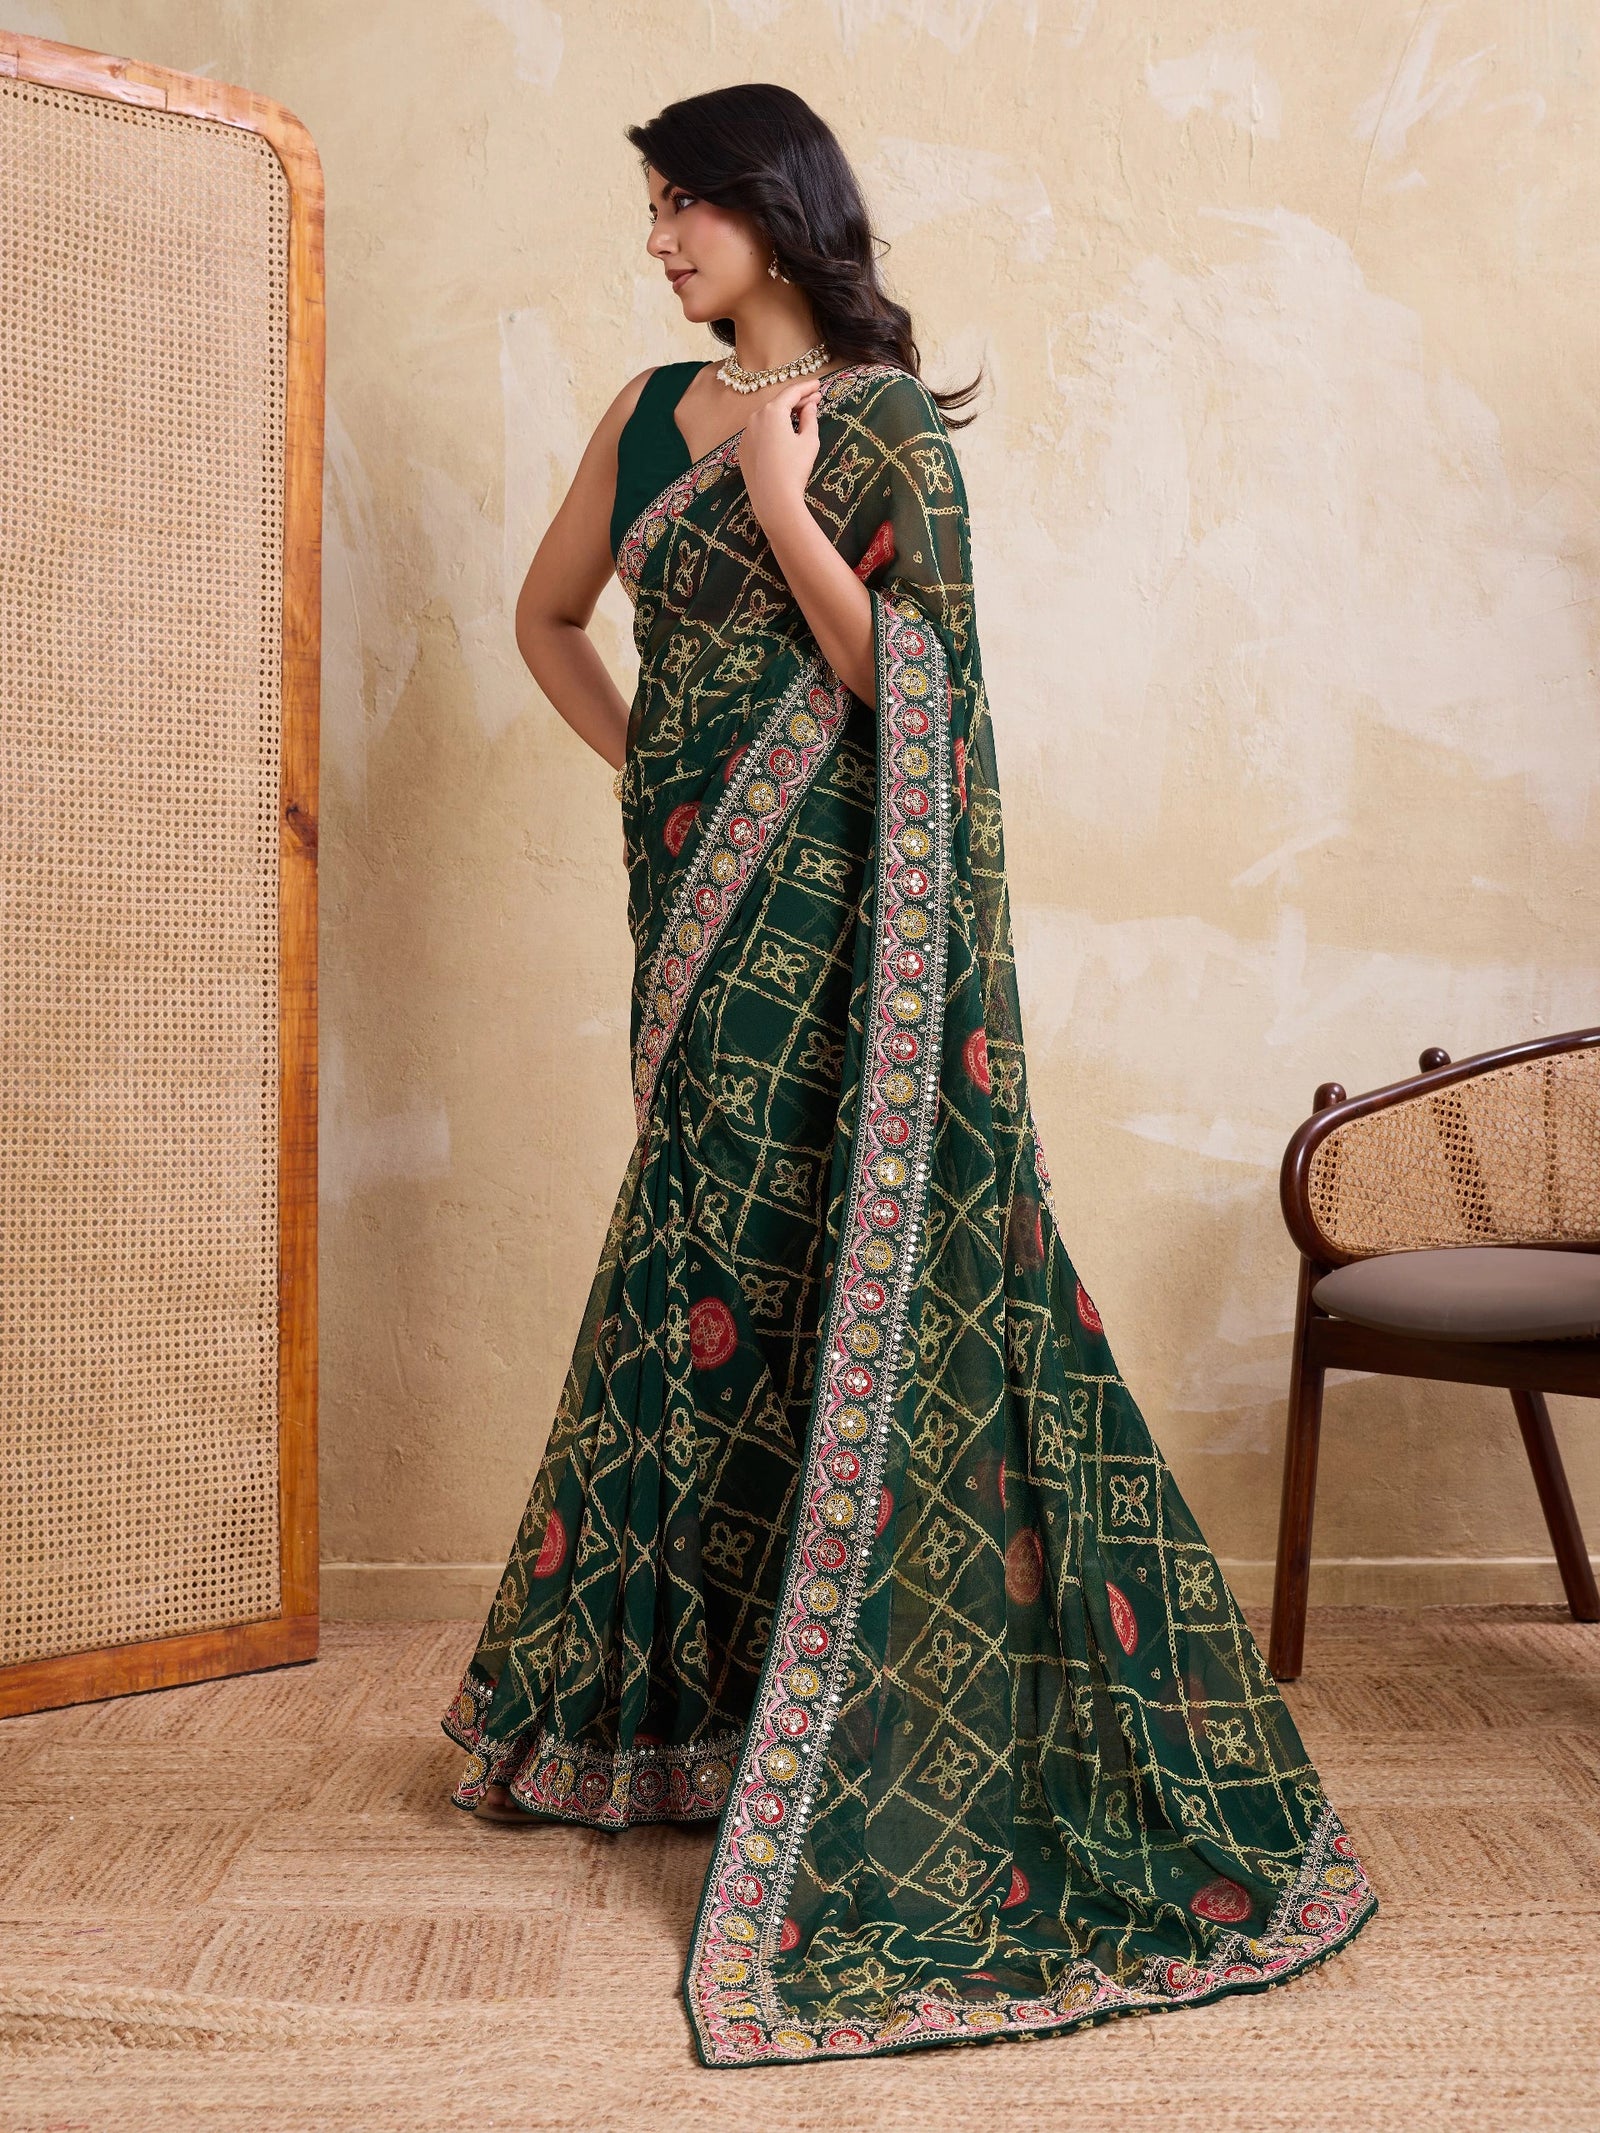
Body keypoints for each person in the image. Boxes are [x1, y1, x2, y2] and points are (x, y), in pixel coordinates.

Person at [442, 80, 1375, 2070]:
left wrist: (784, 507)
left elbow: (917, 683)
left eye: (684, 209)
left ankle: (843, 1697)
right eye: (653, 214)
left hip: (853, 933)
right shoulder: (635, 416)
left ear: (775, 212)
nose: (658, 244)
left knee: (818, 1262)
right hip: (697, 917)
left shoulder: (870, 428)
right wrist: (662, 785)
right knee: (693, 1272)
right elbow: (541, 618)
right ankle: (642, 1718)